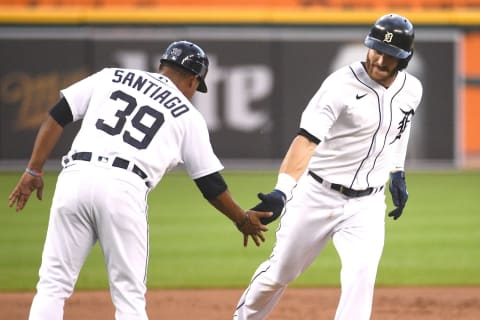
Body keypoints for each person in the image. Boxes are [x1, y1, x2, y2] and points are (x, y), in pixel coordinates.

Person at [8, 40, 272, 320]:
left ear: (161, 66)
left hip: (75, 176)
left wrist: (33, 170)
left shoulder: (110, 75)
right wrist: (241, 218)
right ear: (194, 80)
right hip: (123, 187)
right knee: (129, 298)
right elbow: (210, 183)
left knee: (52, 285)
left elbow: (58, 114)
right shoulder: (187, 115)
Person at [234, 13, 423, 320]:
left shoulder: (412, 89)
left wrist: (397, 171)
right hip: (317, 194)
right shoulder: (339, 86)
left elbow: (401, 128)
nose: (379, 59)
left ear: (405, 58)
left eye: (390, 55)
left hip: (367, 204)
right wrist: (282, 190)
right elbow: (306, 140)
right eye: (376, 49)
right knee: (280, 273)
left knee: (360, 279)